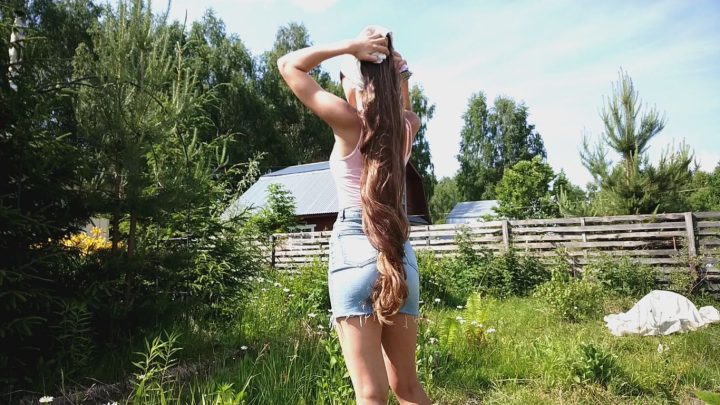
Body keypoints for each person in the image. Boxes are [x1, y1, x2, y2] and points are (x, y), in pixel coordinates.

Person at [277, 26, 431, 405]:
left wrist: (350, 47)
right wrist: (402, 75)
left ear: (351, 83)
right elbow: (407, 111)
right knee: (407, 389)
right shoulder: (406, 131)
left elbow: (289, 65)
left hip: (353, 249)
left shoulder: (348, 124)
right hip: (398, 253)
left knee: (370, 394)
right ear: (393, 82)